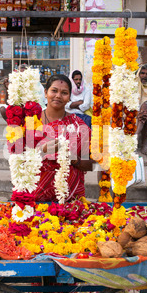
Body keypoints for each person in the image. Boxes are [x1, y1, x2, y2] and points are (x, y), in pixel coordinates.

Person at [34, 74, 95, 202]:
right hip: (36, 196)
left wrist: (73, 159)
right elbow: (18, 160)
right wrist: (41, 151)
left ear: (69, 98)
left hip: (70, 199)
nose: (58, 96)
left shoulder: (79, 125)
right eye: (54, 91)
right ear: (46, 93)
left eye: (64, 93)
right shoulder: (32, 121)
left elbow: (90, 165)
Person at [136, 65, 147, 155]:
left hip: (145, 113)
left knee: (144, 109)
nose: (144, 76)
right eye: (142, 73)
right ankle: (143, 145)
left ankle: (136, 137)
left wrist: (146, 112)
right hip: (132, 111)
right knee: (144, 111)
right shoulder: (133, 84)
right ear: (139, 74)